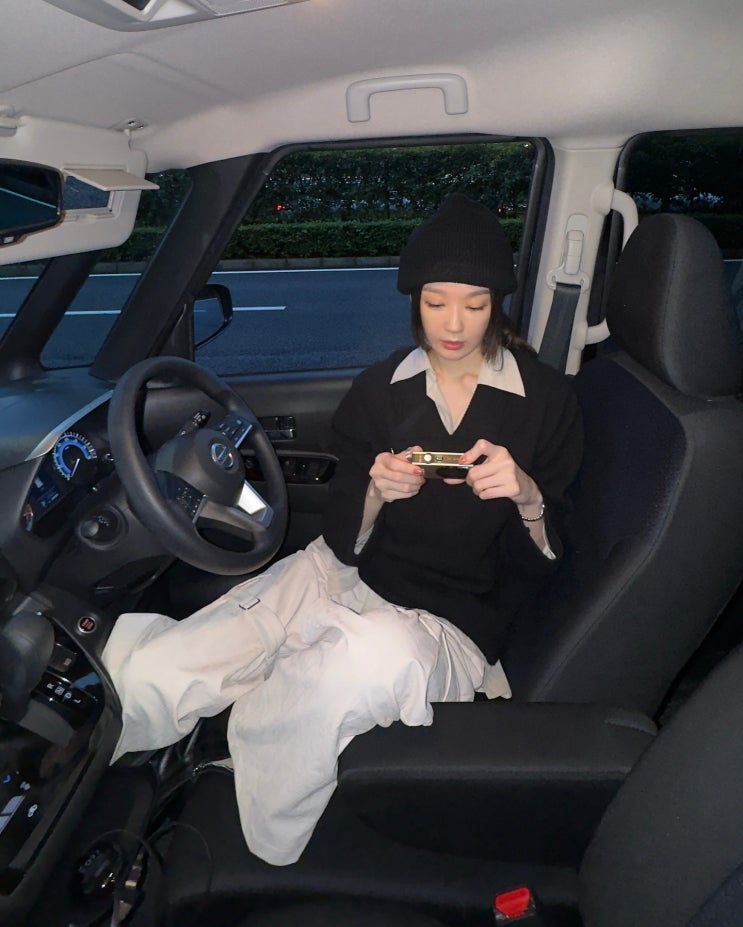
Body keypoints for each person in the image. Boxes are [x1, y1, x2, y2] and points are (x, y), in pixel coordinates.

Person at [101, 193, 583, 866]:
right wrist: (373, 496)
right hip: (342, 574)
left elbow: (547, 565)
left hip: (450, 621)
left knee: (358, 663)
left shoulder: (548, 401)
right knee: (176, 661)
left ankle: (240, 805)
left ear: (496, 304)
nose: (453, 324)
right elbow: (338, 532)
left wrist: (527, 496)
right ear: (413, 298)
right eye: (435, 301)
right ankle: (85, 754)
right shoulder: (379, 388)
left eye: (475, 305)